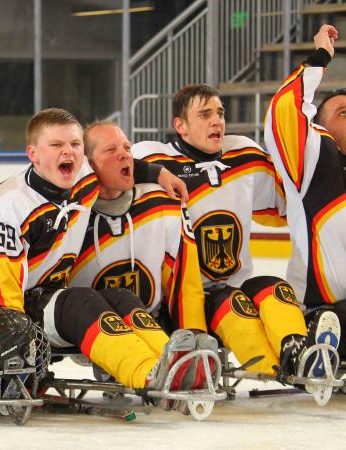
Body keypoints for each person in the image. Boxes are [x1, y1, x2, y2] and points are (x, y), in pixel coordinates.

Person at [0, 108, 215, 402]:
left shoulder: (82, 178)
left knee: (121, 297)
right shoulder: (7, 204)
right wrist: (16, 355)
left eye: (75, 145)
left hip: (44, 299)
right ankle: (146, 372)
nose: (68, 152)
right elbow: (0, 292)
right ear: (33, 154)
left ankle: (179, 364)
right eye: (56, 146)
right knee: (80, 301)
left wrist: (159, 173)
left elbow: (117, 165)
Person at [132, 83, 340, 379]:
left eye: (220, 113)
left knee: (276, 288)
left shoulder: (245, 155)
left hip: (236, 282)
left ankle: (299, 352)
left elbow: (291, 205)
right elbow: (105, 166)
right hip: (183, 296)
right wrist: (154, 174)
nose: (217, 121)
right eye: (205, 114)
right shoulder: (154, 157)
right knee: (235, 307)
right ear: (181, 125)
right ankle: (277, 370)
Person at [71, 121, 207, 335]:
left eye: (127, 148)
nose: (125, 155)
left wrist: (194, 331)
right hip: (89, 329)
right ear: (87, 164)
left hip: (152, 323)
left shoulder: (162, 201)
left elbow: (184, 279)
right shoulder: (69, 214)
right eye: (110, 150)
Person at [264, 24, 346, 360]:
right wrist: (319, 57)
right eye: (344, 113)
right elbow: (285, 109)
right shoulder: (314, 157)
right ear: (319, 126)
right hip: (323, 313)